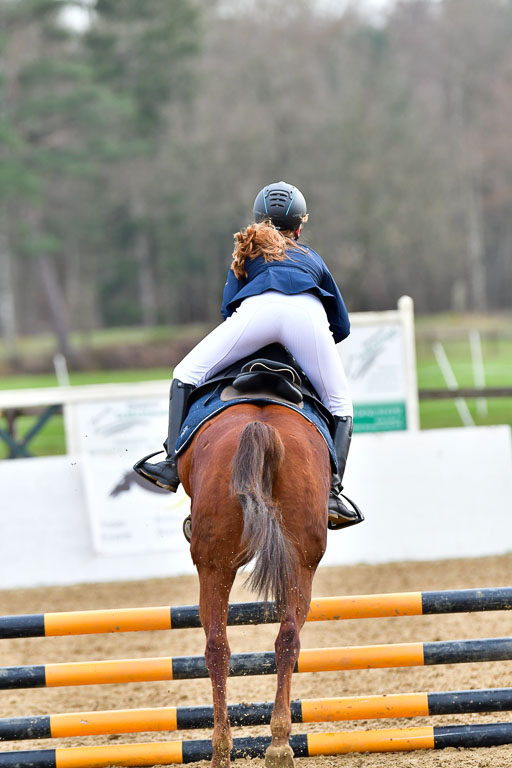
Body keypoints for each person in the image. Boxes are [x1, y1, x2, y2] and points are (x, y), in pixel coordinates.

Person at [134, 181, 363, 529]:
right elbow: (341, 326)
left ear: (258, 220)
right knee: (341, 405)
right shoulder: (312, 257)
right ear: (299, 226)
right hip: (307, 318)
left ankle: (170, 465)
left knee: (185, 374)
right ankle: (332, 493)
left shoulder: (248, 252)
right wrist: (306, 347)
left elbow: (228, 309)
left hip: (258, 313)